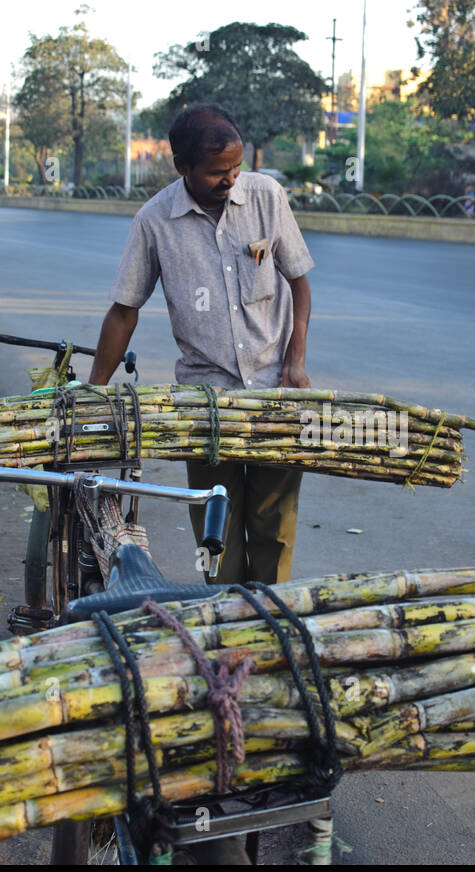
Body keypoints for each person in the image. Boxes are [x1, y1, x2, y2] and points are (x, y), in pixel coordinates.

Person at [88, 104, 315, 587]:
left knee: (274, 527)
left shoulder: (267, 196)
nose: (230, 179)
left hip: (275, 391)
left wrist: (296, 362)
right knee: (217, 529)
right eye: (216, 172)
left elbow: (299, 282)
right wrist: (94, 391)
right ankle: (226, 625)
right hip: (204, 402)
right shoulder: (154, 222)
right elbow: (124, 311)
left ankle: (270, 621)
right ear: (183, 167)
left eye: (235, 168)